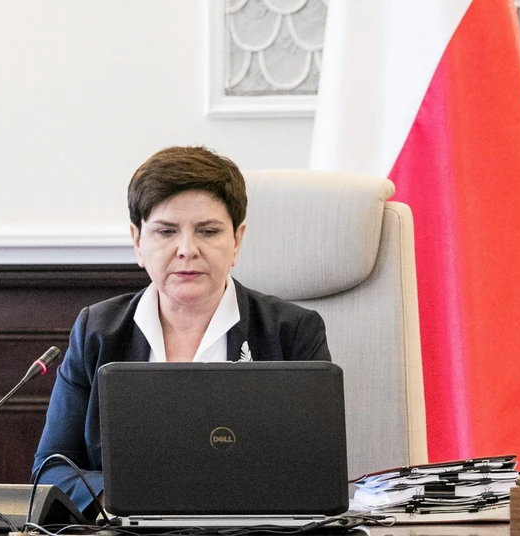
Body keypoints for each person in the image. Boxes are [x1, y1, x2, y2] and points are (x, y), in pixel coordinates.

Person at [32, 146, 331, 517]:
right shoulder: (96, 331)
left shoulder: (293, 332)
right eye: (166, 231)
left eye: (208, 231)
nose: (187, 250)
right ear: (138, 242)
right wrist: (127, 497)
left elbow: (316, 473)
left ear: (236, 241)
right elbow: (51, 469)